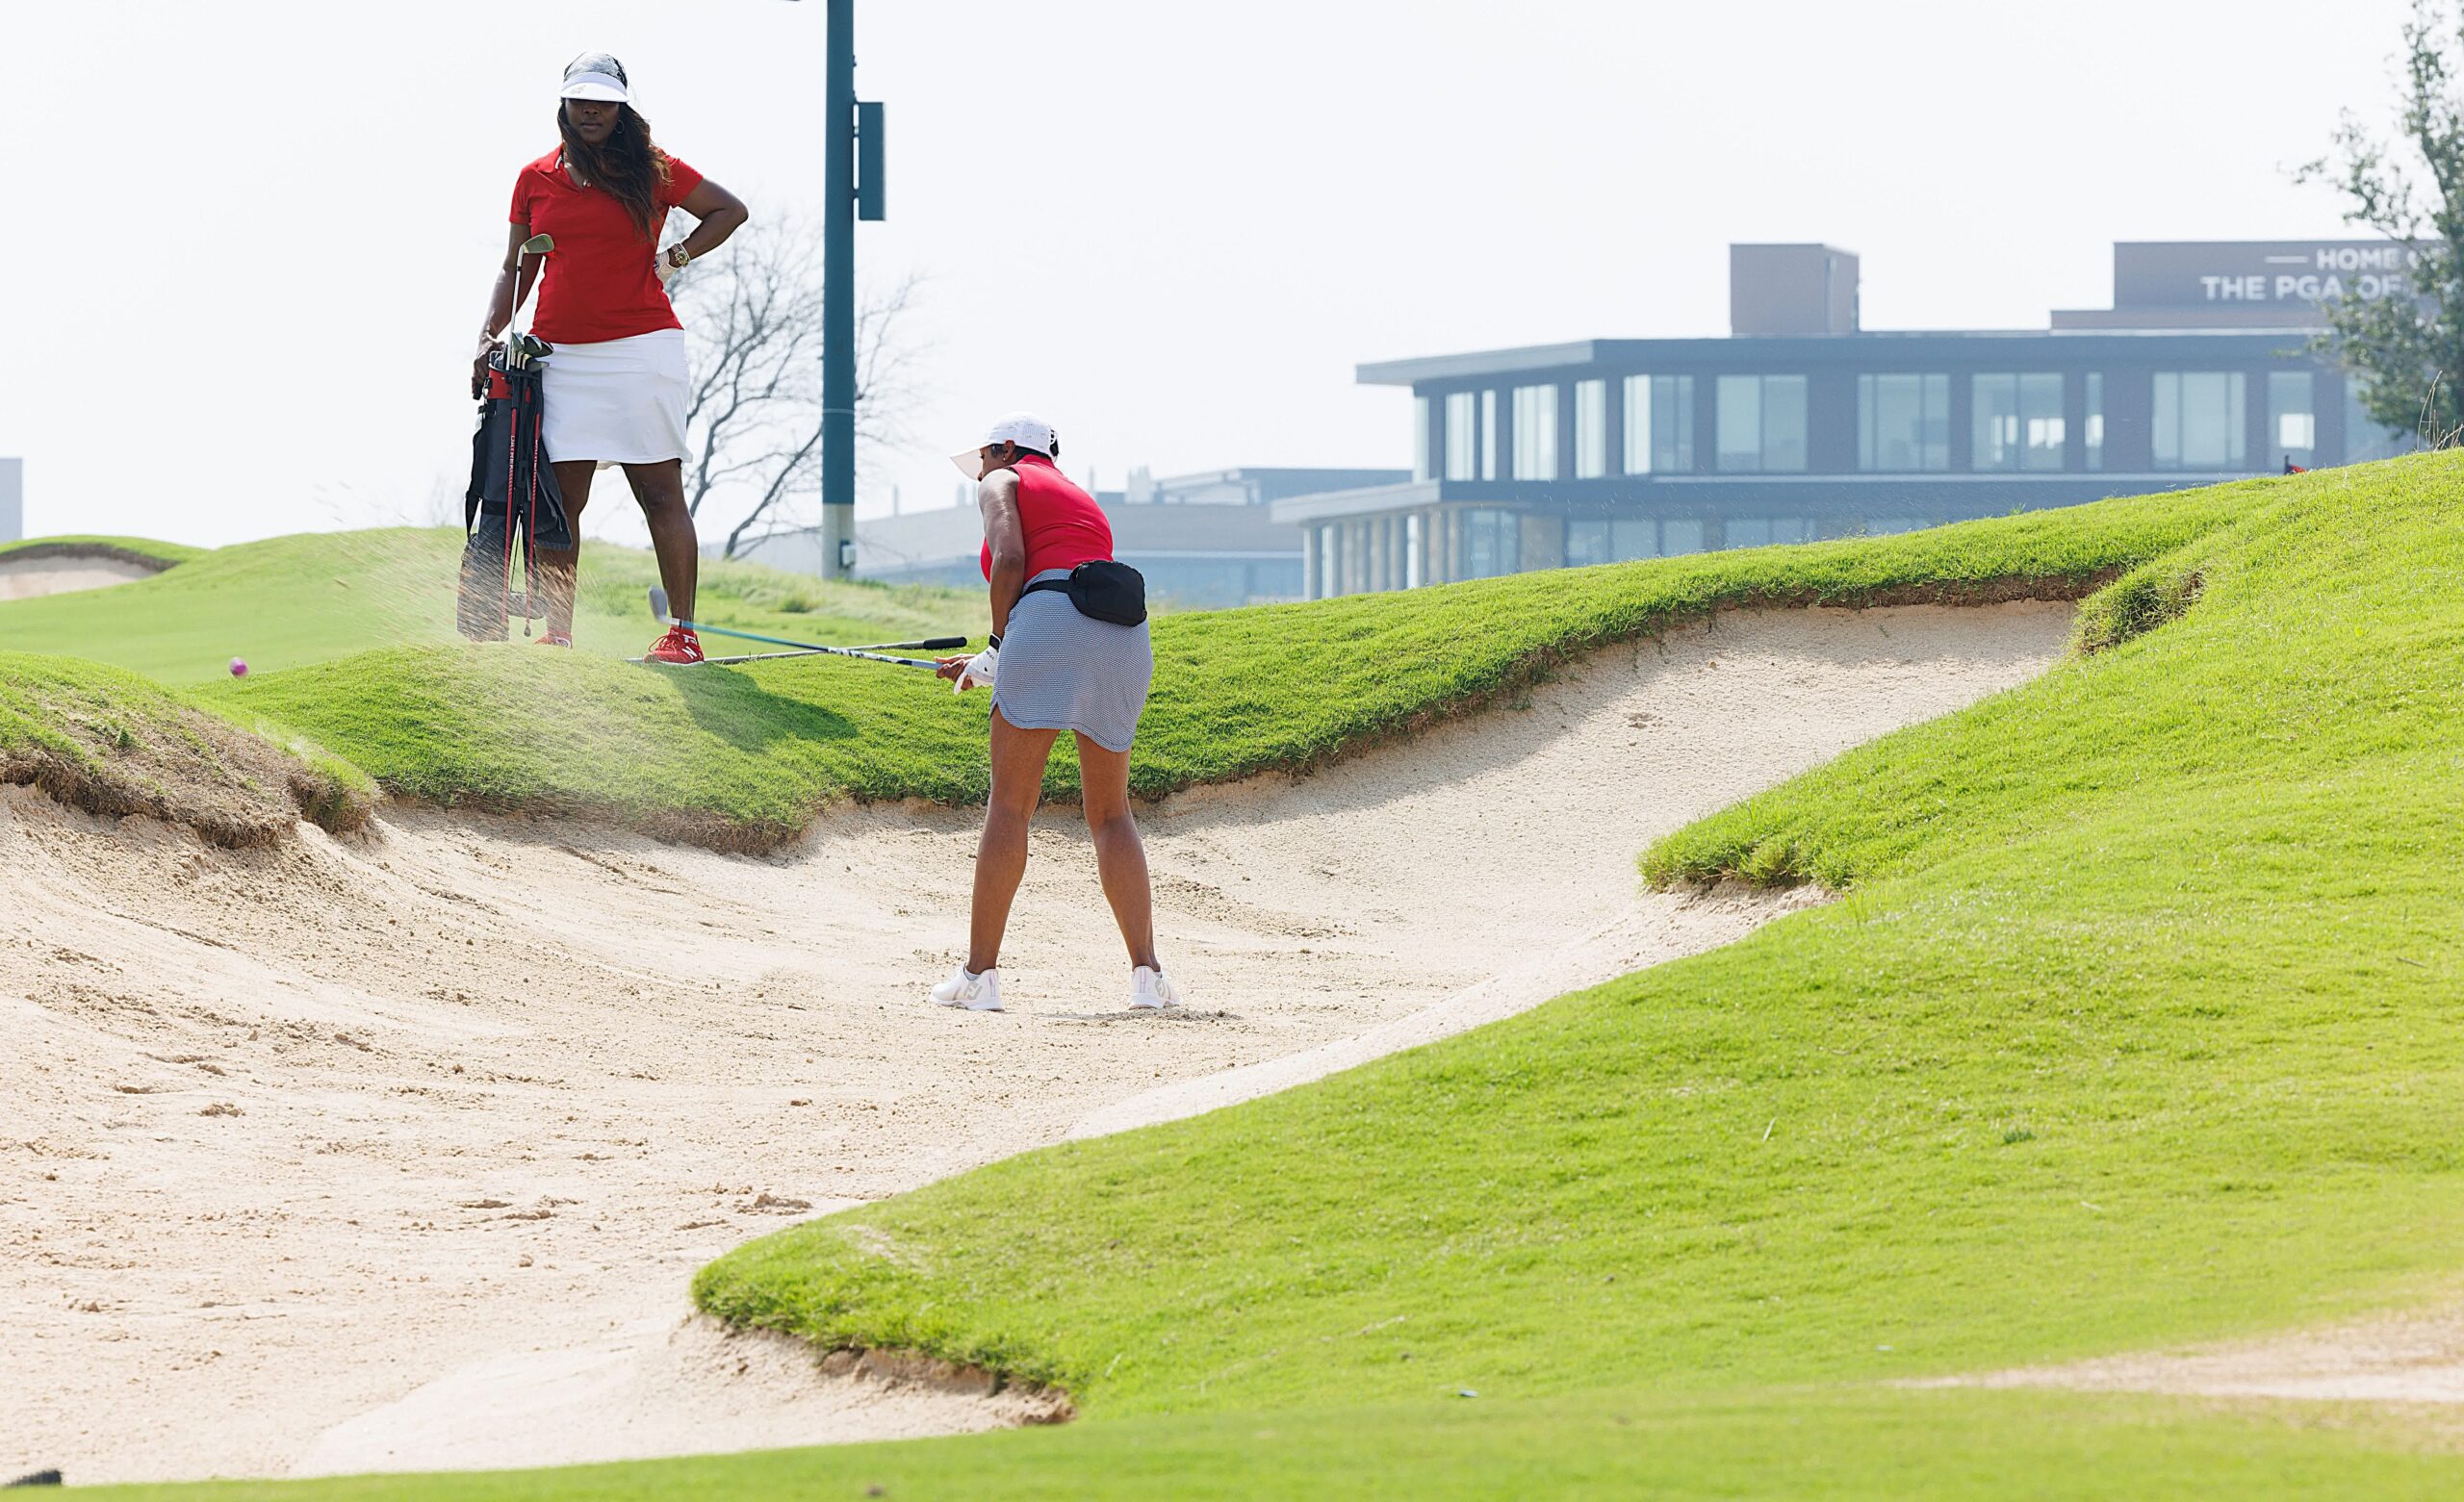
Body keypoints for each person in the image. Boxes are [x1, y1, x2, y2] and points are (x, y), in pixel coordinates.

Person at [473, 51, 748, 662]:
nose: (592, 109)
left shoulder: (653, 170)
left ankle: (682, 635)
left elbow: (729, 210)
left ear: (622, 108)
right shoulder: (534, 178)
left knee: (658, 490)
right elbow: (516, 268)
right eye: (581, 99)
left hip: (642, 350)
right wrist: (489, 337)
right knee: (560, 502)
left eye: (604, 100)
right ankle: (559, 631)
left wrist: (673, 257)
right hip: (561, 357)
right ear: (564, 105)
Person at [931, 415, 1185, 1014]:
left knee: (1012, 803)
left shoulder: (1003, 481)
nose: (982, 471)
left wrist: (998, 651)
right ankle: (1147, 977)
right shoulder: (1081, 499)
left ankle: (979, 978)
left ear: (1005, 450)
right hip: (1123, 636)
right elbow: (1066, 584)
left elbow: (1015, 562)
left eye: (986, 458)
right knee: (1111, 811)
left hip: (1047, 623)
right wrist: (991, 657)